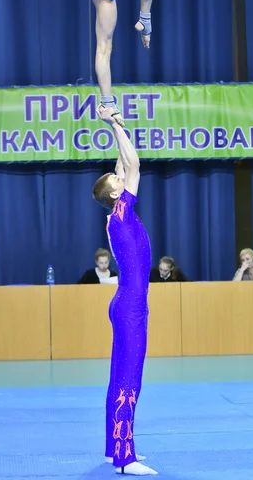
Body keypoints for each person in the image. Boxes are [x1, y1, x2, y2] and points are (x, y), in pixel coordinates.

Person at [92, 105, 157, 476]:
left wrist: (115, 124)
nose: (120, 176)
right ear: (114, 191)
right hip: (131, 306)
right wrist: (115, 124)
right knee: (129, 377)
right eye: (115, 178)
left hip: (125, 303)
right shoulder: (121, 212)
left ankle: (113, 446)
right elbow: (132, 165)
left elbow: (124, 162)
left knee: (120, 374)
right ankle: (124, 457)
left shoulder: (118, 215)